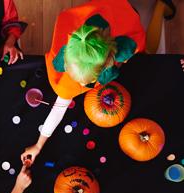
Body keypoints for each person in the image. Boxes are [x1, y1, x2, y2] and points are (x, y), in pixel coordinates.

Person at [21, 0, 176, 165]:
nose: (78, 82)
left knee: (148, 54)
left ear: (106, 68)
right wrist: (38, 146)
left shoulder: (124, 49)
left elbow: (59, 109)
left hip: (121, 15)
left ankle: (160, 7)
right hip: (113, 8)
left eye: (85, 81)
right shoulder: (75, 52)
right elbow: (56, 112)